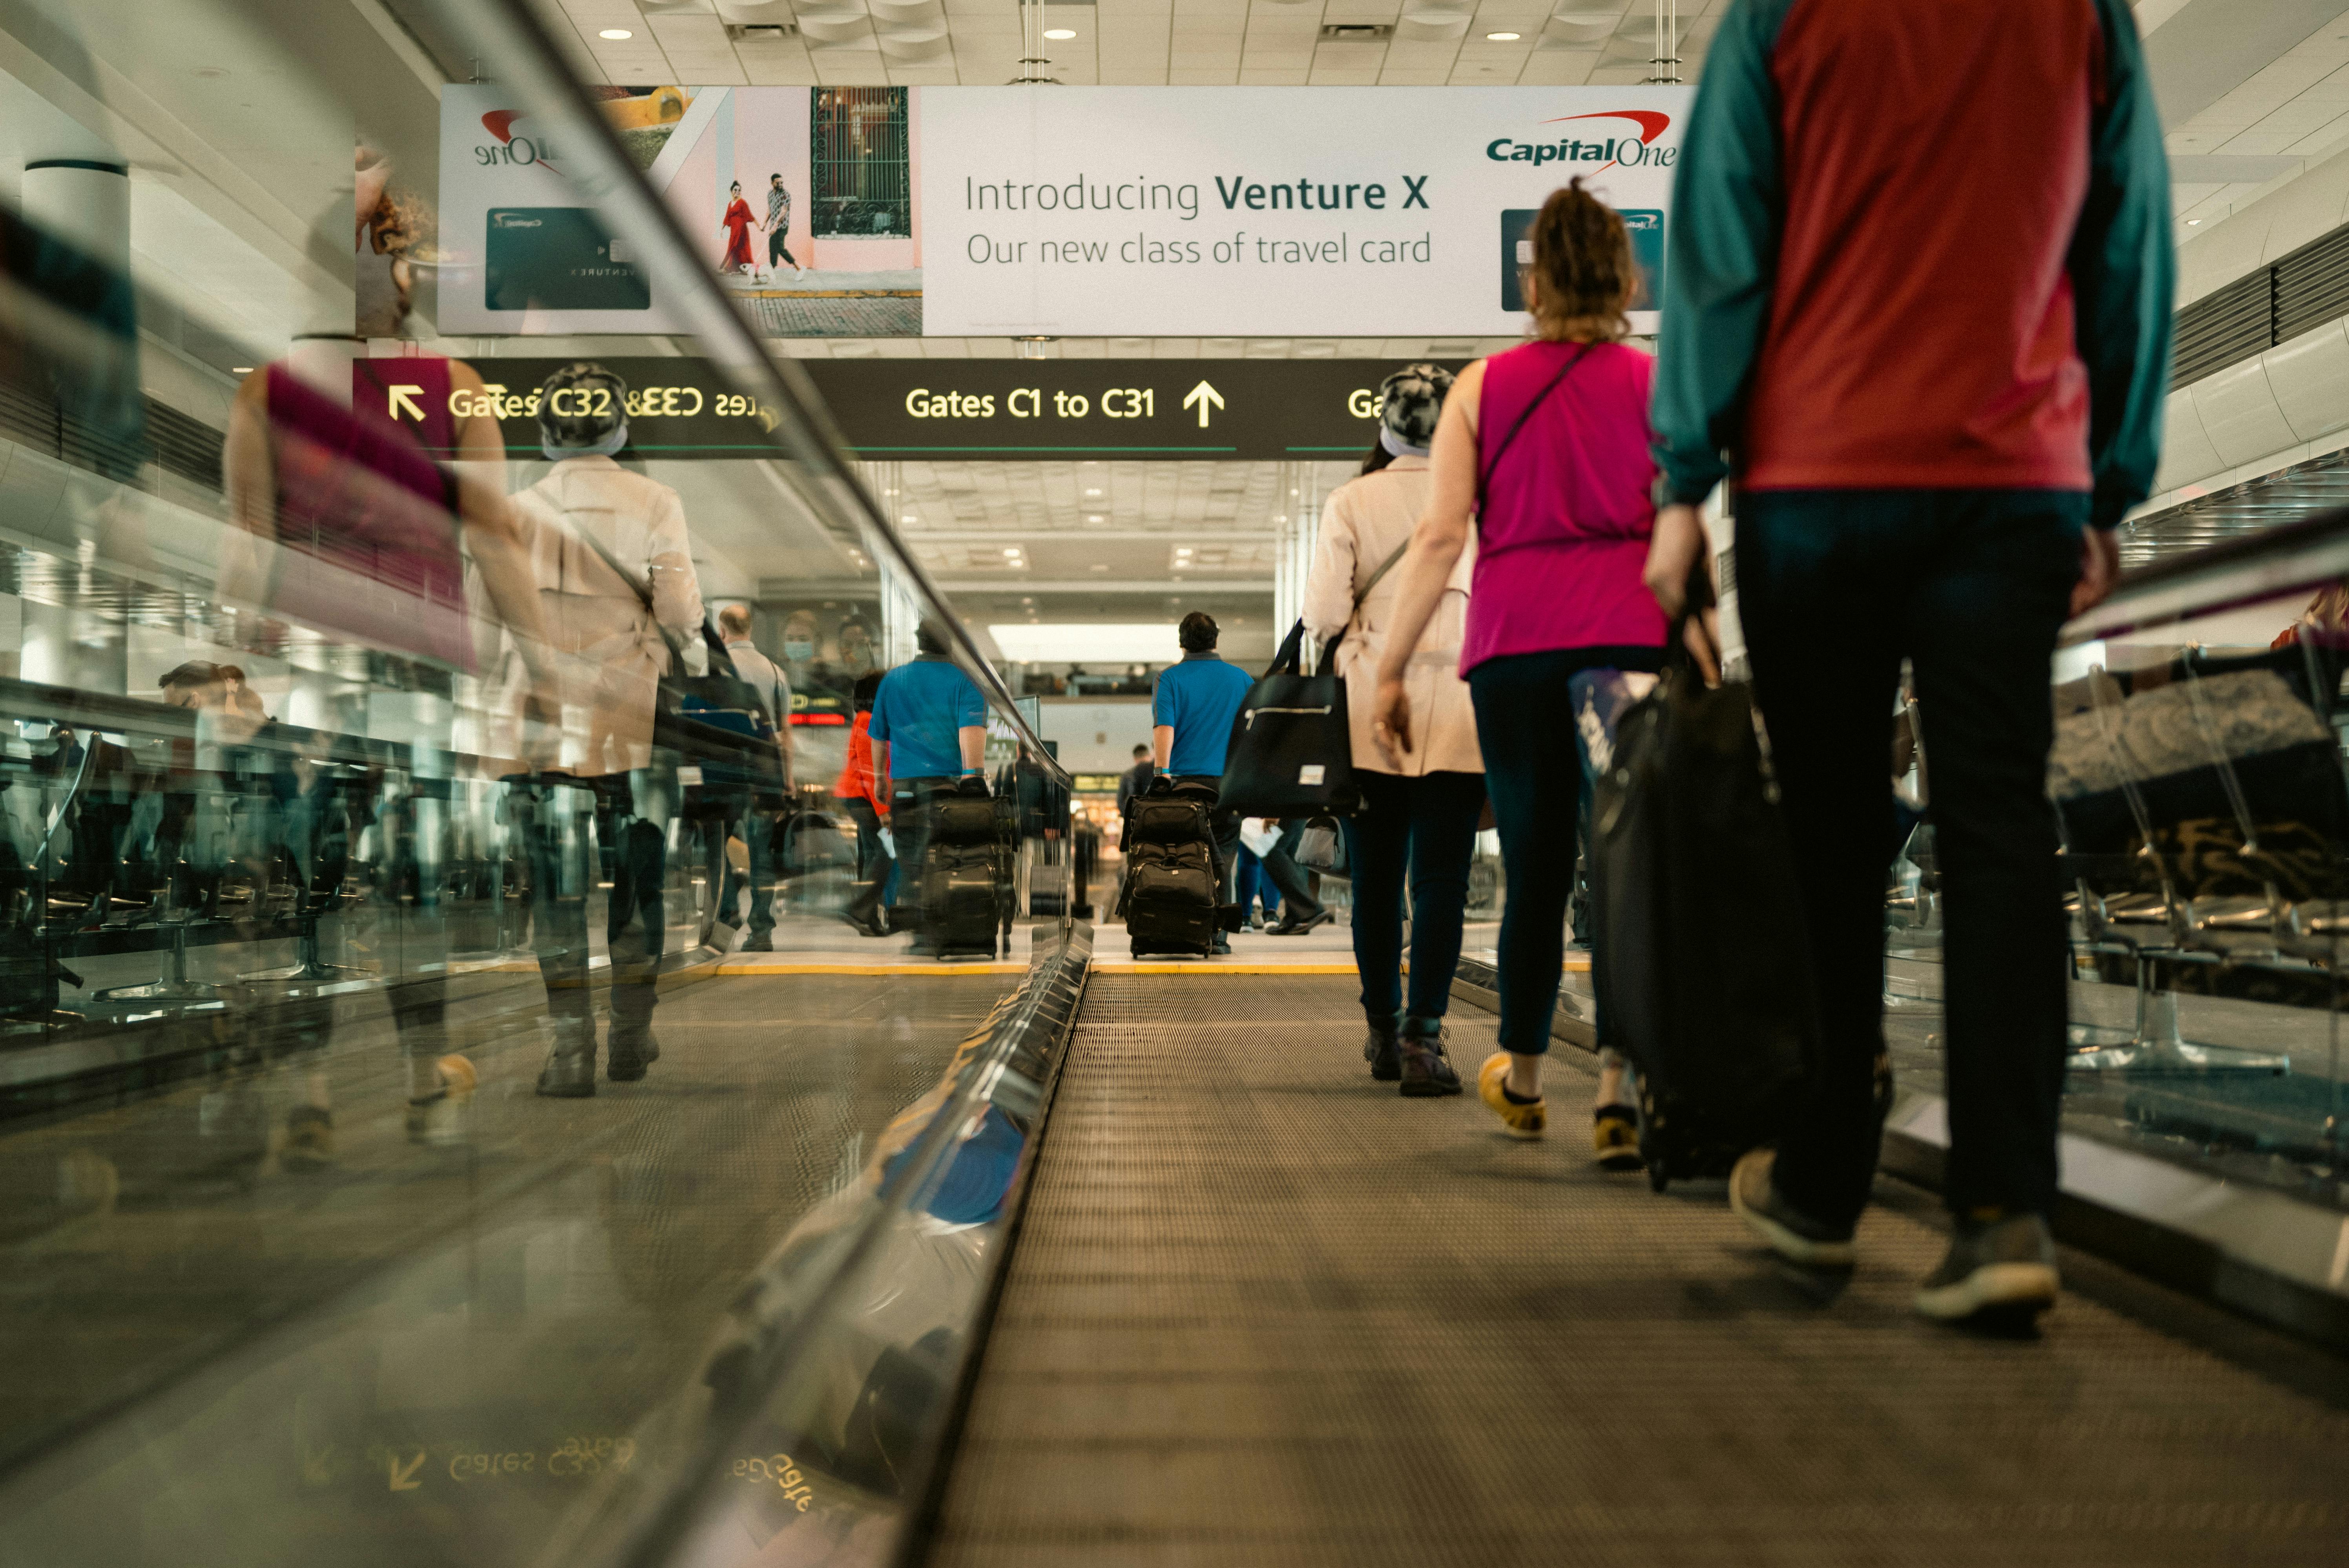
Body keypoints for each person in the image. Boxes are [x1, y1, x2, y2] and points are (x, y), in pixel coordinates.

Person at [1645, 0, 2170, 1324]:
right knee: (1994, 824)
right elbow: (2128, 246)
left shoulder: (1780, 14)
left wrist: (1681, 480)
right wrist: (2107, 484)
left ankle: (1822, 1178)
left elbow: (1719, 240)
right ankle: (2005, 1208)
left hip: (1816, 477)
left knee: (1828, 834)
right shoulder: (2079, 15)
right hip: (2010, 481)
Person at [1372, 183, 1667, 1162]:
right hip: (1629, 639)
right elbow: (1686, 523)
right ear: (1627, 277)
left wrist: (1388, 669)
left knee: (1540, 867)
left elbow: (1439, 535)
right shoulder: (1654, 381)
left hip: (1514, 647)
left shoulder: (1483, 387)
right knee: (1628, 866)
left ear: (1532, 281)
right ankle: (1623, 1084)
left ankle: (1530, 1075)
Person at [506, 361, 707, 1095]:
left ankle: (569, 1054)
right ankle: (631, 1037)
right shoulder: (656, 499)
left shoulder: (518, 506)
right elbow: (681, 610)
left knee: (555, 892)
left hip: (539, 725)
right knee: (637, 880)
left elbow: (481, 613)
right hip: (628, 719)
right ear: (620, 427)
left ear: (549, 431)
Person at [1303, 363, 1480, 1097]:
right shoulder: (1481, 506)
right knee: (1442, 879)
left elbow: (1320, 616)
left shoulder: (1351, 502)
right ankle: (1424, 1038)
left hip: (1374, 705)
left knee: (1376, 880)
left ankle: (1381, 1027)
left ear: (1384, 426)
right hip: (1464, 707)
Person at [868, 625, 987, 953]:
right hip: (945, 788)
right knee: (944, 858)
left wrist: (880, 778)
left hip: (904, 787)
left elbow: (878, 735)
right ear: (950, 646)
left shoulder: (894, 680)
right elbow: (970, 731)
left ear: (919, 644)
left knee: (910, 860)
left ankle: (919, 933)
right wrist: (972, 776)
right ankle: (942, 928)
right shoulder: (965, 680)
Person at [1150, 611, 1254, 955]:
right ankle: (1220, 936)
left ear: (1181, 642)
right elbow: (1252, 733)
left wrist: (1161, 773)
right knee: (1225, 854)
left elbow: (1165, 727)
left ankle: (1188, 927)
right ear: (1216, 640)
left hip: (1186, 784)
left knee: (1188, 855)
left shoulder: (1170, 679)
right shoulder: (1241, 679)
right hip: (1229, 782)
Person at [715, 604, 792, 951]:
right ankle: (761, 931)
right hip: (765, 769)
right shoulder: (776, 673)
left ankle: (726, 911)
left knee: (716, 842)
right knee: (761, 851)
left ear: (721, 631)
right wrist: (787, 778)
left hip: (724, 768)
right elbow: (785, 733)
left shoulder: (712, 668)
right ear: (750, 630)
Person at [834, 670, 892, 938]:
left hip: (859, 795)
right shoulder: (869, 720)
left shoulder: (866, 718)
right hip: (862, 795)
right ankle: (858, 908)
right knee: (884, 852)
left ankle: (869, 918)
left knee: (872, 853)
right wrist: (883, 813)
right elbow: (871, 771)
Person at [760, 172, 806, 281]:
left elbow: (784, 211)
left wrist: (776, 225)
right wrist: (765, 224)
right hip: (773, 227)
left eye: (782, 182)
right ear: (772, 183)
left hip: (782, 227)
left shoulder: (786, 195)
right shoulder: (770, 194)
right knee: (772, 249)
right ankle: (772, 272)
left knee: (780, 248)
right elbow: (770, 210)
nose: (781, 184)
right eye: (778, 183)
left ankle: (799, 269)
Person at [719, 180, 756, 276]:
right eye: (735, 190)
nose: (737, 192)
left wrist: (759, 225)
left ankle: (727, 268)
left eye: (739, 190)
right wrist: (722, 229)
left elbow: (749, 215)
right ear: (732, 191)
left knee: (736, 247)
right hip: (734, 230)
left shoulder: (742, 202)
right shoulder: (730, 204)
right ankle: (741, 268)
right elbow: (727, 217)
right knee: (737, 248)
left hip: (741, 229)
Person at [1114, 743, 1152, 824]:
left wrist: (1129, 816)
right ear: (1149, 756)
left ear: (1135, 758)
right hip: (1153, 815)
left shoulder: (1128, 775)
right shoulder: (1156, 772)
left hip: (1136, 817)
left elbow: (1120, 800)